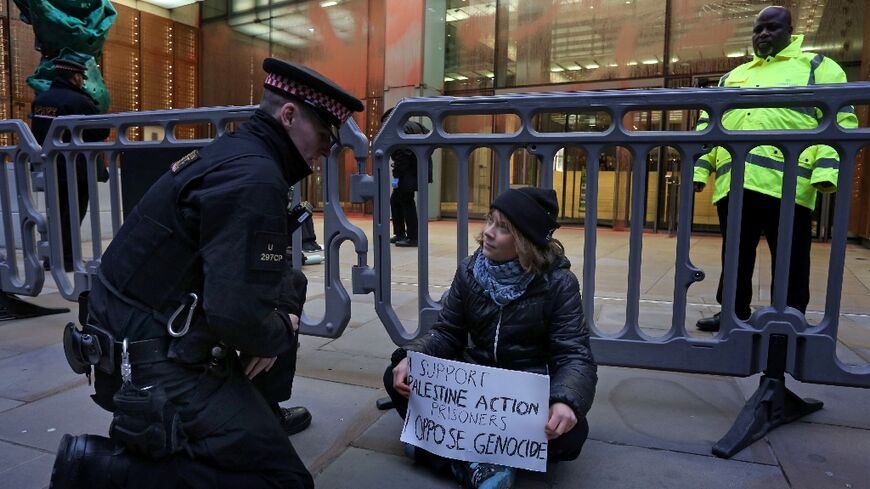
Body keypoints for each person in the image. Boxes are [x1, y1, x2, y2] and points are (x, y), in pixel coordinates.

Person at [50, 58, 363, 489]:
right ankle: (101, 470)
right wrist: (276, 331)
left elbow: (258, 281)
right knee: (283, 480)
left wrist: (273, 322)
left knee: (288, 286)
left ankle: (251, 415)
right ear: (288, 116)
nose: (328, 149)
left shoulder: (234, 155)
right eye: (325, 135)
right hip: (152, 365)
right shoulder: (255, 178)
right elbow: (236, 316)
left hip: (133, 337)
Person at [383, 187, 597, 489]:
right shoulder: (470, 271)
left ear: (525, 241)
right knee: (398, 375)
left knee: (573, 433)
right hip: (473, 389)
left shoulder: (558, 284)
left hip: (523, 395)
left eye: (503, 228)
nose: (488, 233)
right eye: (489, 221)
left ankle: (438, 451)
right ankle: (478, 464)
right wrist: (413, 356)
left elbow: (574, 355)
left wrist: (565, 402)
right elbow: (447, 332)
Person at [693, 6, 859, 332]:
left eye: (772, 28)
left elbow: (840, 120)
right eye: (758, 29)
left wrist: (825, 172)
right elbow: (707, 126)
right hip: (736, 182)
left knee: (791, 257)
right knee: (735, 255)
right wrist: (700, 170)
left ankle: (789, 316)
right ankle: (732, 313)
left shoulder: (817, 67)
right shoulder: (733, 76)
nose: (764, 34)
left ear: (791, 31)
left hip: (789, 184)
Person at [30, 58, 110, 271]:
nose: (83, 81)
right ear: (74, 77)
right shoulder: (79, 101)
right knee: (73, 214)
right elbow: (102, 130)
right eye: (81, 77)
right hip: (76, 167)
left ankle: (52, 258)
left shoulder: (42, 99)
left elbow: (38, 131)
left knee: (55, 213)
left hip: (50, 165)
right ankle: (67, 259)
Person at [384, 107, 430, 247]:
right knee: (397, 200)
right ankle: (400, 233)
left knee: (406, 201)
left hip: (407, 172)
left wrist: (397, 174)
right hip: (418, 169)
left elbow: (402, 153)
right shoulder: (415, 125)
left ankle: (413, 237)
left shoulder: (398, 127)